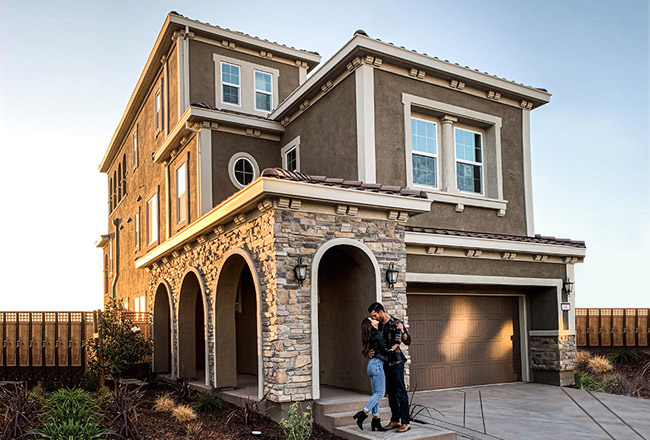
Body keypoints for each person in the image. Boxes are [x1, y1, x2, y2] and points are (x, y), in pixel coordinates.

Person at [368, 302, 411, 433]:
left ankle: (405, 422)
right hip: (384, 363)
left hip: (396, 362)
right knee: (391, 393)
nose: (373, 318)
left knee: (400, 392)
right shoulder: (378, 326)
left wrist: (402, 331)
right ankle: (395, 420)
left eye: (374, 315)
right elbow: (374, 343)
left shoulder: (396, 323)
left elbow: (407, 341)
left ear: (381, 311)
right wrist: (369, 352)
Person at [352, 317, 396, 431]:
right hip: (377, 365)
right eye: (372, 319)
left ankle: (376, 420)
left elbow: (372, 350)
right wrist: (396, 345)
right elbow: (385, 350)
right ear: (371, 324)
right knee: (380, 394)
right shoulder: (377, 334)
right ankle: (363, 413)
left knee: (375, 394)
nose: (375, 319)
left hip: (371, 365)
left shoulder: (369, 335)